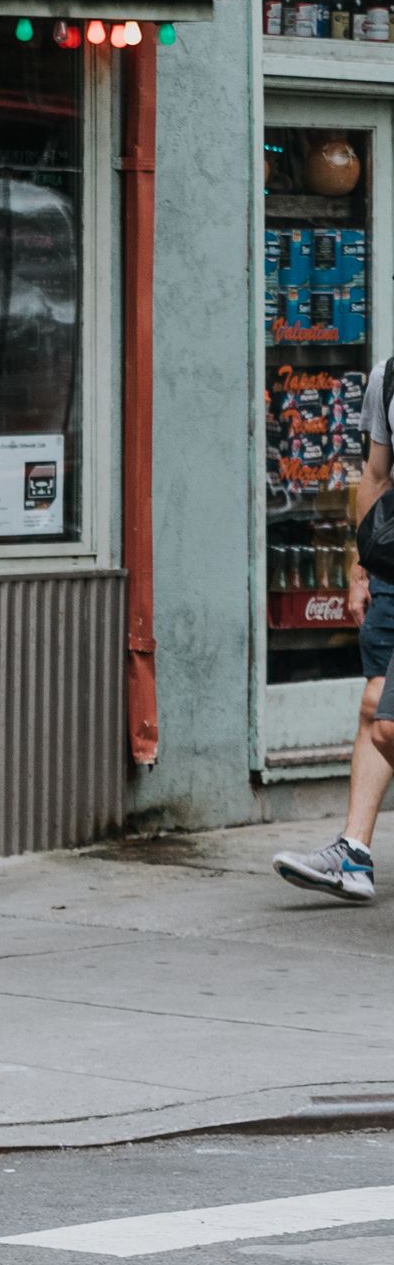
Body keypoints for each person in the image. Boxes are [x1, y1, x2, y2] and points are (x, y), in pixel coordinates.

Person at [275, 355, 394, 903]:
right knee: (374, 708)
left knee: (390, 725)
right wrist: (361, 564)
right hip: (392, 569)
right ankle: (354, 855)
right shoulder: (387, 376)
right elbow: (375, 474)